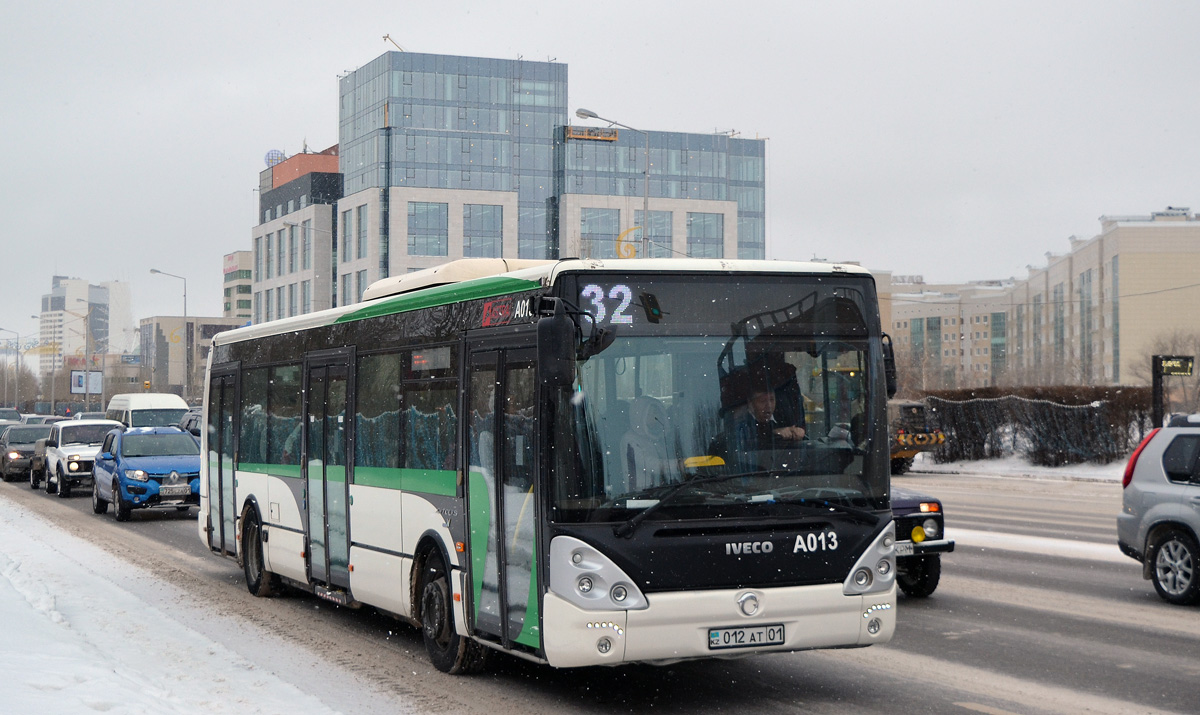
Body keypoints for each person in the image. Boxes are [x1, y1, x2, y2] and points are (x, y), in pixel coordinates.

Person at [710, 381, 806, 472]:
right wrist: (773, 434)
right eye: (762, 401)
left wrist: (797, 435)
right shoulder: (740, 427)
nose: (769, 405)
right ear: (751, 403)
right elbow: (746, 450)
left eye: (772, 400)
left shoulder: (782, 423)